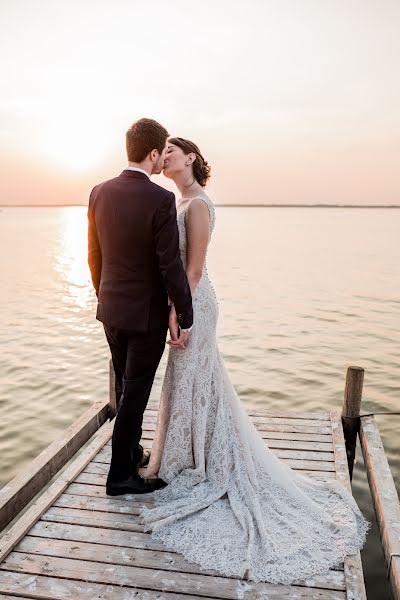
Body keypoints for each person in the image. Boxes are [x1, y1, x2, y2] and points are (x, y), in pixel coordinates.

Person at [140, 137, 369, 584]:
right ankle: (186, 458)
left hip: (194, 305)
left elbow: (194, 269)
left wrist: (178, 311)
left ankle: (202, 464)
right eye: (161, 150)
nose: (164, 155)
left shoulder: (198, 205)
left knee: (194, 379)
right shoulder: (178, 200)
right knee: (189, 382)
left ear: (191, 157)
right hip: (183, 302)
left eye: (172, 149)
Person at [87, 119, 193, 496]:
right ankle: (120, 477)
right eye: (160, 152)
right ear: (152, 153)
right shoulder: (160, 199)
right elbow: (170, 265)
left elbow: (94, 256)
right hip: (145, 316)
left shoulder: (98, 192)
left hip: (111, 310)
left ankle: (131, 453)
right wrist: (185, 313)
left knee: (126, 385)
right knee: (135, 395)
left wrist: (105, 296)